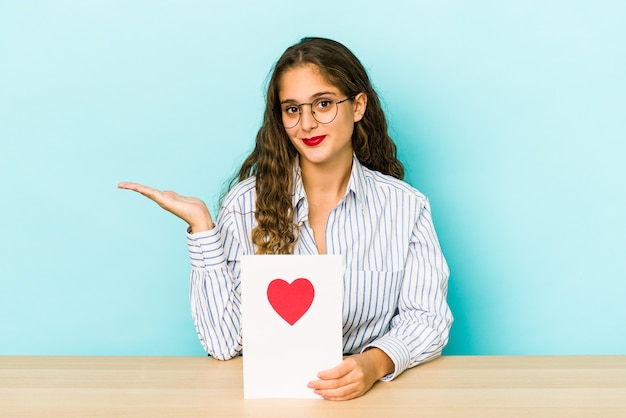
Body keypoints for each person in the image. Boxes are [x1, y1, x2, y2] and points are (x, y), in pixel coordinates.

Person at [118, 37, 452, 401]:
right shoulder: (245, 206)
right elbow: (223, 344)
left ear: (358, 106)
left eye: (323, 104)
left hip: (372, 401)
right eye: (292, 109)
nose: (307, 123)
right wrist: (202, 228)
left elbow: (427, 319)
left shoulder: (405, 207)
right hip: (273, 400)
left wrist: (373, 364)